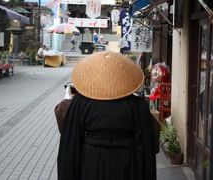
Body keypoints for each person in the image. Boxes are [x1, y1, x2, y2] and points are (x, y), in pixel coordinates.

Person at [57, 51, 160, 180]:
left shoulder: (82, 102)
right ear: (123, 78)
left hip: (92, 161)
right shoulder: (137, 104)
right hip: (126, 162)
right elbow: (144, 145)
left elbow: (71, 142)